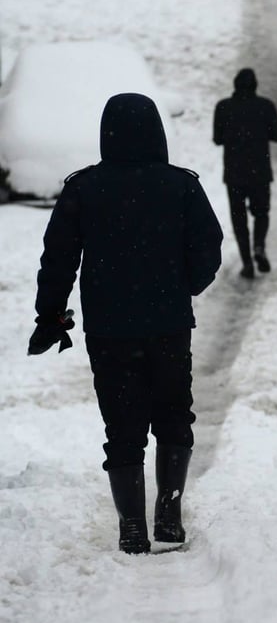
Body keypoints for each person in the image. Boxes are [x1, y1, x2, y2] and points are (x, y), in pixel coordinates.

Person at [28, 93, 223, 554]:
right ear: (156, 130)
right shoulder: (181, 186)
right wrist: (186, 286)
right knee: (174, 414)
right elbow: (209, 244)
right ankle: (169, 514)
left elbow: (58, 257)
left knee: (122, 423)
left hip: (109, 328)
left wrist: (51, 312)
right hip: (169, 324)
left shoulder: (83, 188)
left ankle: (132, 525)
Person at [213, 67, 277, 278]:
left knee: (239, 218)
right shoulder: (265, 106)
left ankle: (247, 263)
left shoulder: (223, 107)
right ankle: (259, 246)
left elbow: (217, 138)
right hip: (260, 171)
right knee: (261, 213)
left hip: (234, 173)